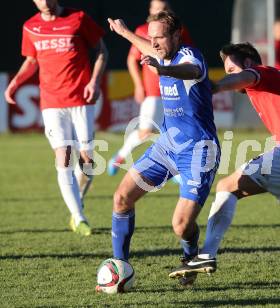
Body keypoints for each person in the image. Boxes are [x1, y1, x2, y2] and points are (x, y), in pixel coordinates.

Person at [169, 43, 280, 280]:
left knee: (226, 187)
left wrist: (215, 86)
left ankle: (206, 255)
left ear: (247, 63)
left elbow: (247, 77)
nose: (230, 74)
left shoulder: (261, 72)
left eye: (231, 69)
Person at [102, 11, 219, 288]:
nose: (153, 43)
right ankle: (121, 267)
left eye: (160, 37)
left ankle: (190, 258)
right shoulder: (160, 50)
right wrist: (124, 32)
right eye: (151, 37)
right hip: (167, 146)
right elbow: (146, 46)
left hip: (199, 151)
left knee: (180, 225)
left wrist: (163, 70)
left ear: (177, 35)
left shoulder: (191, 56)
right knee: (121, 198)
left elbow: (192, 71)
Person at [4, 0, 107, 236]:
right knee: (64, 157)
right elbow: (32, 60)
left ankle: (76, 203)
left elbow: (102, 50)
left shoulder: (78, 18)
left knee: (88, 162)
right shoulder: (31, 27)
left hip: (81, 99)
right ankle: (79, 218)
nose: (45, 2)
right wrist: (15, 83)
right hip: (52, 103)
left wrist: (95, 81)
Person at [107, 0, 193, 176]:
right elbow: (132, 59)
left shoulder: (179, 32)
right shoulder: (142, 31)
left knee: (173, 132)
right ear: (150, 10)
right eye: (157, 8)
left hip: (175, 90)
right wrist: (139, 85)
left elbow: (188, 57)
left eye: (164, 8)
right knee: (146, 131)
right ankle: (120, 157)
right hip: (154, 91)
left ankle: (174, 170)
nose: (161, 11)